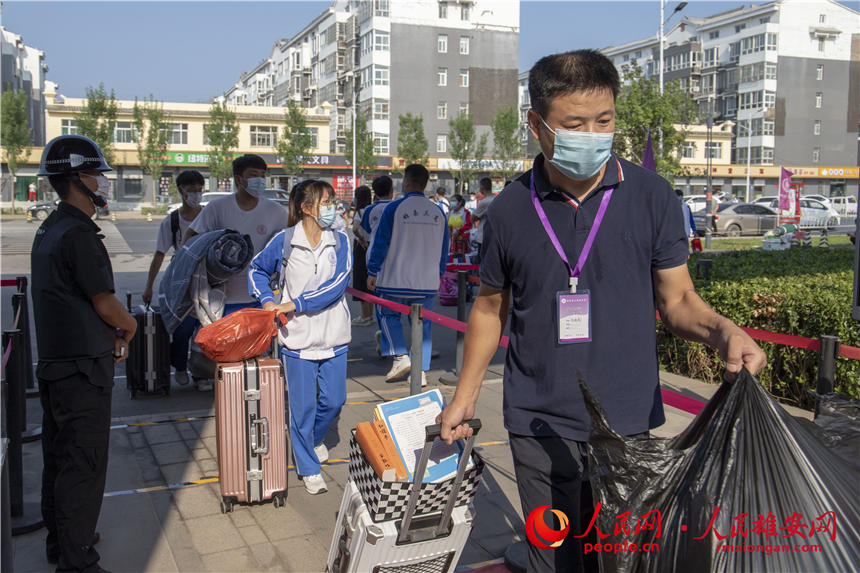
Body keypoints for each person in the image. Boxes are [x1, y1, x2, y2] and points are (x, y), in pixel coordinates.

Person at [437, 50, 767, 573]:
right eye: (574, 123)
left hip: (627, 422)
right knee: (556, 561)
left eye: (604, 120)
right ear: (538, 125)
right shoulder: (508, 210)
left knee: (621, 561)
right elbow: (490, 308)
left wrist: (725, 332)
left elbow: (678, 301)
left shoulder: (652, 197)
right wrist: (464, 398)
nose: (592, 133)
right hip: (538, 424)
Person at [32, 135, 138, 573]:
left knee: (59, 460)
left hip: (59, 365)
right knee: (84, 465)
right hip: (81, 371)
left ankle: (63, 543)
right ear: (78, 179)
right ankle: (77, 563)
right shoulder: (78, 234)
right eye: (97, 175)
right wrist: (129, 327)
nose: (103, 183)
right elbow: (104, 302)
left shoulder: (51, 227)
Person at [248, 180, 351, 495]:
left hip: (334, 336)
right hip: (296, 338)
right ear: (307, 208)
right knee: (302, 407)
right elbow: (256, 270)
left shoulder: (340, 241)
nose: (334, 206)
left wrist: (297, 303)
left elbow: (339, 284)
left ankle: (315, 438)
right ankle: (308, 467)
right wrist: (268, 301)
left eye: (334, 200)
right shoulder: (284, 242)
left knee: (334, 401)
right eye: (327, 201)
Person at [366, 164, 449, 386]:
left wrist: (372, 270)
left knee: (387, 315)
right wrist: (438, 275)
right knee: (423, 326)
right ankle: (420, 371)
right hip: (427, 282)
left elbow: (380, 244)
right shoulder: (438, 212)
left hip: (394, 279)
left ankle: (400, 357)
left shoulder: (394, 208)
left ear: (406, 182)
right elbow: (444, 250)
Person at [182, 154, 287, 315]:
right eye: (253, 175)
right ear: (238, 179)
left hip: (262, 299)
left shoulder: (277, 211)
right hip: (221, 300)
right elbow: (190, 239)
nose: (259, 180)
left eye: (262, 175)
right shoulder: (217, 208)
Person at [142, 170, 204, 389]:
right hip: (182, 284)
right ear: (181, 191)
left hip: (207, 282)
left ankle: (201, 374)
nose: (196, 194)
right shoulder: (172, 222)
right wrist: (149, 286)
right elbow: (159, 254)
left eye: (199, 190)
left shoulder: (208, 215)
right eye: (192, 190)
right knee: (183, 329)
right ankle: (179, 367)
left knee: (205, 331)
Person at [350, 185, 374, 326]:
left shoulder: (359, 211)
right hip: (372, 245)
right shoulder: (372, 210)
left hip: (361, 247)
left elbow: (354, 228)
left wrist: (361, 239)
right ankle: (370, 314)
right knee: (370, 279)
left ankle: (365, 316)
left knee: (360, 279)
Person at [447, 193, 473, 261]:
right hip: (452, 241)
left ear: (460, 202)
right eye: (451, 201)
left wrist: (459, 231)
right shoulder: (450, 213)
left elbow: (468, 225)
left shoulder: (466, 212)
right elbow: (446, 225)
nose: (452, 202)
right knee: (452, 259)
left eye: (454, 201)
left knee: (463, 260)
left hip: (463, 241)